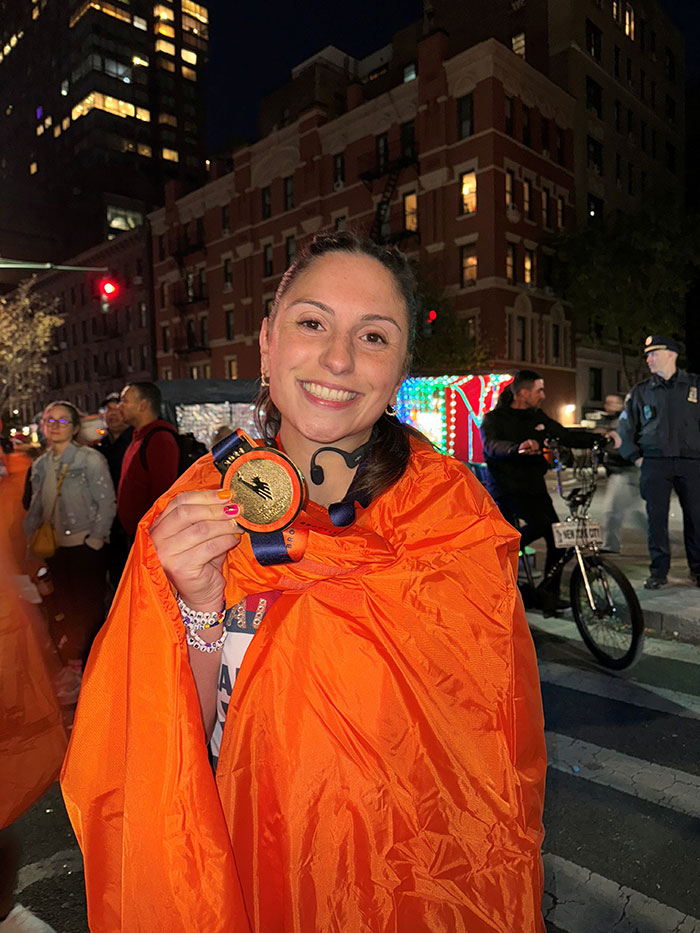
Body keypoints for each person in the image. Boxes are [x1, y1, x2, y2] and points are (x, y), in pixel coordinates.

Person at [62, 233, 547, 932]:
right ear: (267, 342)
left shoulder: (455, 522)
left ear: (401, 366)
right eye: (312, 322)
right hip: (250, 879)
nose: (339, 359)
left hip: (413, 893)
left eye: (374, 337)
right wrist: (198, 605)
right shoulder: (193, 513)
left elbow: (493, 766)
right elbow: (156, 758)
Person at [481, 370, 597, 602]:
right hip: (507, 488)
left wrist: (599, 439)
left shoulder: (537, 418)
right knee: (542, 525)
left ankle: (548, 592)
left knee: (558, 536)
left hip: (534, 486)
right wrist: (517, 448)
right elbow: (492, 446)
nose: (543, 395)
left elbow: (564, 435)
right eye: (539, 390)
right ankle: (499, 552)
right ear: (523, 393)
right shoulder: (495, 418)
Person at [23, 402, 115, 683]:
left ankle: (94, 668)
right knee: (65, 607)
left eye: (63, 421)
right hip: (56, 549)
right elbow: (36, 505)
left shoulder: (89, 459)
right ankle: (77, 665)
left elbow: (106, 501)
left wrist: (96, 540)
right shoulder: (39, 465)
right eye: (50, 420)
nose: (54, 425)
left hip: (85, 547)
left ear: (75, 427)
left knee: (89, 609)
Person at [613, 335, 700, 589]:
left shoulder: (694, 386)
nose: (648, 359)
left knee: (696, 518)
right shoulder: (641, 392)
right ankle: (659, 572)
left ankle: (697, 570)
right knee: (656, 521)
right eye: (647, 354)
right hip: (655, 463)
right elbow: (625, 428)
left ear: (671, 354)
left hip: (691, 463)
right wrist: (636, 458)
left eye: (654, 353)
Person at [116, 382, 180, 540]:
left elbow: (163, 491)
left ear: (142, 405)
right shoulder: (139, 437)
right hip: (137, 534)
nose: (119, 406)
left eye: (124, 401)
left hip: (149, 536)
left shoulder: (159, 439)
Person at [596, 393, 646, 554]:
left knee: (612, 510)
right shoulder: (612, 421)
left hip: (625, 471)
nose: (608, 406)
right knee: (635, 513)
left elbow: (623, 447)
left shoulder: (623, 422)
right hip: (623, 471)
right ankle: (663, 538)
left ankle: (610, 545)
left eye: (612, 403)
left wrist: (608, 442)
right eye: (607, 402)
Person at [97, 393, 133, 588]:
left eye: (117, 409)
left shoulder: (135, 442)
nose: (112, 415)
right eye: (108, 410)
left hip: (127, 522)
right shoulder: (102, 444)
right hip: (107, 521)